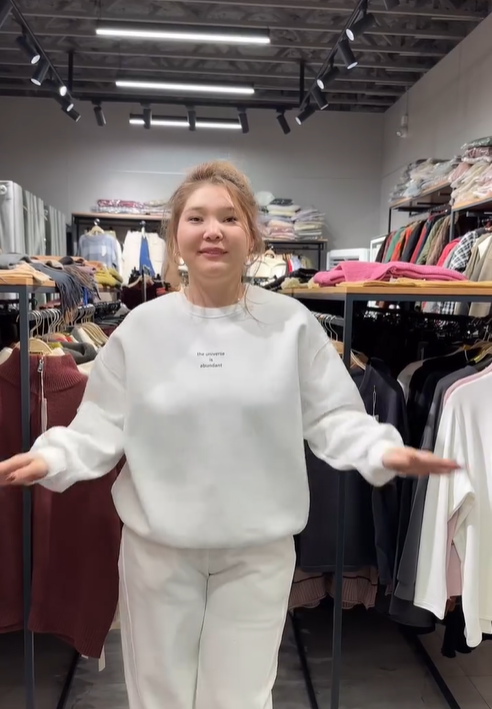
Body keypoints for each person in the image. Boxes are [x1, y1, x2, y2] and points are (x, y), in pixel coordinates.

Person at [0, 161, 457, 709]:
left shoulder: (291, 324)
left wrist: (380, 449)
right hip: (158, 552)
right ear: (176, 235)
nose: (212, 231)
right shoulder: (141, 329)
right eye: (196, 218)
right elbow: (100, 425)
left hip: (256, 554)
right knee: (159, 696)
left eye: (229, 218)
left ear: (253, 236)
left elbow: (334, 416)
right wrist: (52, 457)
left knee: (240, 697)